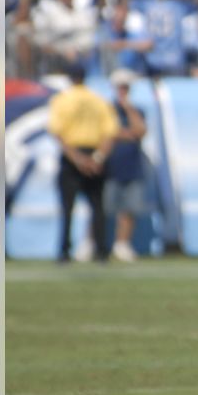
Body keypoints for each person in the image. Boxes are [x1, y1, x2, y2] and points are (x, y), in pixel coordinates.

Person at [47, 61, 118, 263]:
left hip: (73, 156)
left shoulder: (62, 100)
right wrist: (96, 158)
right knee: (97, 207)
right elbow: (110, 133)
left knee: (67, 208)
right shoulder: (98, 100)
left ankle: (64, 251)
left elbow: (58, 134)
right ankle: (101, 251)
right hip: (95, 154)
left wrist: (78, 159)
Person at [104, 69, 148, 263]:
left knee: (129, 209)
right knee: (102, 208)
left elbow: (140, 131)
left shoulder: (136, 110)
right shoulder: (106, 109)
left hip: (131, 166)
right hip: (109, 165)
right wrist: (124, 134)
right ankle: (93, 243)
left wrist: (127, 108)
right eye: (119, 87)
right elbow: (105, 133)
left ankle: (122, 244)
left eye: (125, 87)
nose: (122, 91)